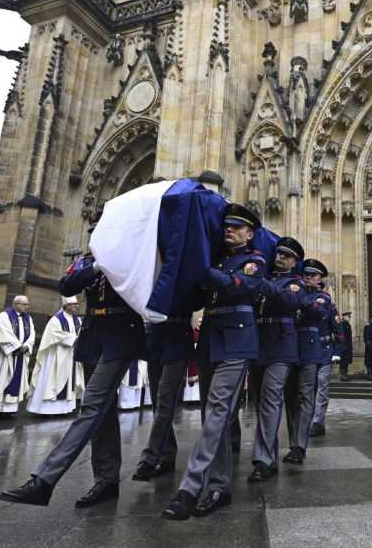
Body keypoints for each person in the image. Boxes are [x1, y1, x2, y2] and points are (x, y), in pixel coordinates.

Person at [0, 239, 148, 507]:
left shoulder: (132, 254)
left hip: (122, 333)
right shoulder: (88, 261)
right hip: (93, 335)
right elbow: (66, 285)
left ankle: (44, 480)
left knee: (91, 406)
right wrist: (97, 264)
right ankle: (106, 479)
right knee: (104, 410)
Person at [161, 203, 266, 520]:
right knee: (213, 416)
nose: (229, 230)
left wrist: (203, 269)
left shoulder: (254, 261)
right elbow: (198, 296)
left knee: (218, 410)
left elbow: (236, 288)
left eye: (237, 227)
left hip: (237, 340)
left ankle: (190, 488)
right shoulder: (217, 259)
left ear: (250, 233)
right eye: (227, 226)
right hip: (210, 339)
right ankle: (219, 486)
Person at [248, 237, 305, 482]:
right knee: (260, 402)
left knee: (271, 399)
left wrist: (259, 280)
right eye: (278, 253)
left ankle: (263, 459)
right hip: (259, 344)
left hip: (282, 346)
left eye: (286, 256)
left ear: (295, 262)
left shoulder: (295, 283)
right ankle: (268, 455)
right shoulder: (268, 279)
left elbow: (290, 301)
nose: (280, 258)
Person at [131, 300, 197, 481]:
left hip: (177, 335)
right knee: (157, 402)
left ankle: (150, 457)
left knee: (165, 400)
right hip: (155, 336)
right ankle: (167, 454)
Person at [283, 258, 329, 464]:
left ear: (321, 279)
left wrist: (299, 295)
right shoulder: (297, 294)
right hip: (290, 348)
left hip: (309, 351)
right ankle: (293, 443)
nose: (308, 278)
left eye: (313, 275)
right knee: (290, 398)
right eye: (306, 274)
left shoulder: (322, 297)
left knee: (305, 397)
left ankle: (300, 445)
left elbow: (316, 311)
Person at [27, 296, 83, 416]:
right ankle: (47, 409)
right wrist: (74, 339)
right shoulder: (56, 320)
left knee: (69, 381)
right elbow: (54, 334)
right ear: (66, 306)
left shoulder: (77, 320)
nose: (77, 306)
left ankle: (64, 409)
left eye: (77, 304)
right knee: (52, 380)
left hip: (71, 355)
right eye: (74, 304)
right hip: (57, 355)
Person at [0, 295, 35, 419]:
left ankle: (8, 410)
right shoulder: (4, 316)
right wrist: (18, 346)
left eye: (27, 304)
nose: (27, 307)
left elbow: (32, 335)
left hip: (20, 356)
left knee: (15, 382)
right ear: (15, 304)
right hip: (5, 356)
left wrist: (27, 346)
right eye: (24, 304)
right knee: (0, 380)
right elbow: (4, 333)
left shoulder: (28, 318)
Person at [310, 279, 339, 438]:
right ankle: (309, 419)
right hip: (307, 350)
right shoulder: (303, 302)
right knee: (308, 388)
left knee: (322, 387)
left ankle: (318, 422)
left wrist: (338, 351)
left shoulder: (328, 306)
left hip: (324, 351)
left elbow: (337, 329)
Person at [337, 312, 353, 381]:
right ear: (344, 317)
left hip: (347, 346)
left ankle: (344, 375)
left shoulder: (347, 324)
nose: (349, 318)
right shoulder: (343, 324)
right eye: (348, 316)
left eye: (349, 317)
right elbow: (341, 335)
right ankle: (343, 375)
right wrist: (343, 345)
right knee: (343, 362)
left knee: (345, 362)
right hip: (344, 346)